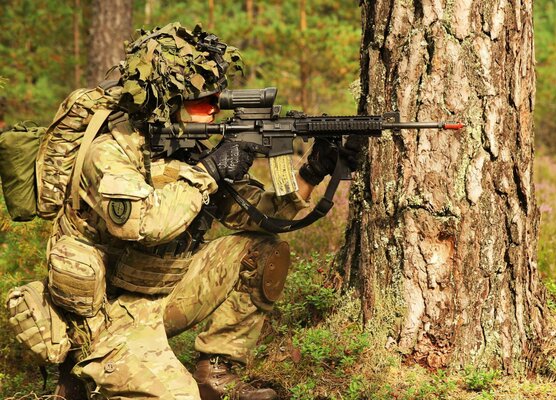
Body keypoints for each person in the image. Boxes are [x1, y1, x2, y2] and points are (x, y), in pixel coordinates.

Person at [46, 22, 359, 400]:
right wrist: (209, 171)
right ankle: (78, 372)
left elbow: (257, 215)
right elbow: (149, 225)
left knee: (260, 250)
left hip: (162, 293)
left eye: (216, 101)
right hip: (109, 313)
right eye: (200, 104)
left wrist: (313, 172)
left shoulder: (187, 149)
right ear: (165, 103)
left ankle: (217, 373)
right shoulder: (110, 152)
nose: (211, 113)